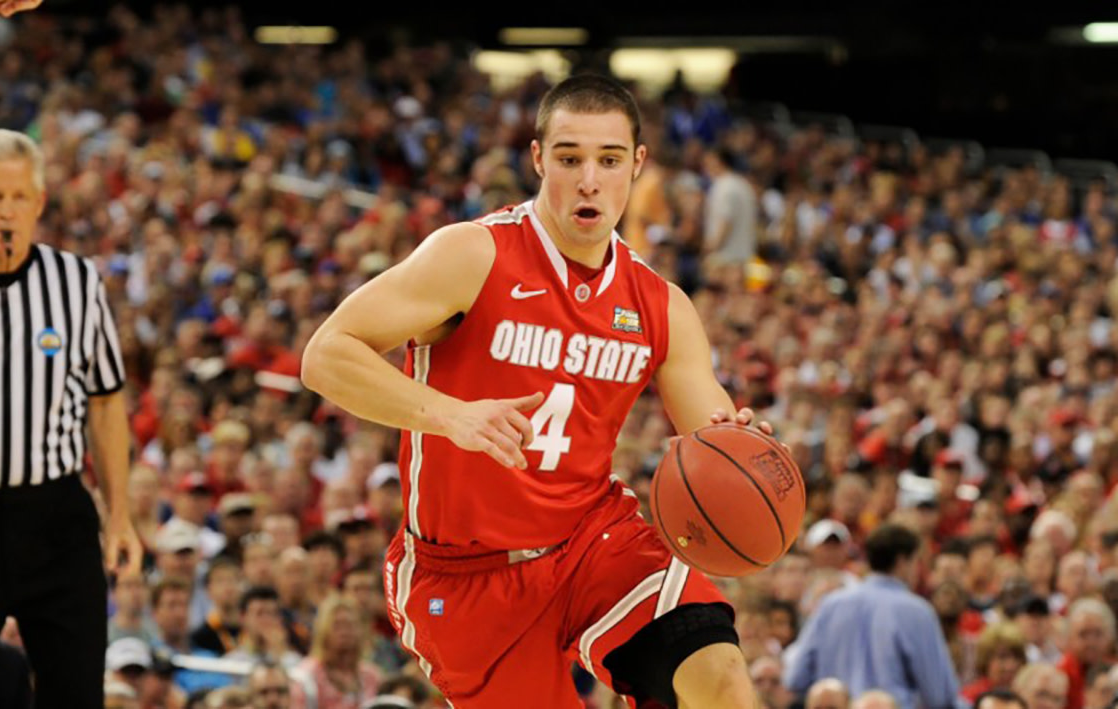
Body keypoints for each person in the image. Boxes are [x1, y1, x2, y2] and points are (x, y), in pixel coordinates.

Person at [303, 73, 769, 707]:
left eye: (608, 161)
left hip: (593, 542)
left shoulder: (661, 305)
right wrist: (449, 414)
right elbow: (326, 354)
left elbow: (711, 436)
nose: (588, 180)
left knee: (722, 682)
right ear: (537, 159)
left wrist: (745, 457)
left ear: (636, 165)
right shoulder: (473, 254)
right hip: (464, 575)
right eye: (569, 158)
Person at [0, 129, 141, 706]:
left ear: (39, 202)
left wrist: (119, 514)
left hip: (55, 516)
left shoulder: (77, 282)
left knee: (76, 693)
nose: (6, 211)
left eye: (18, 197)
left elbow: (106, 398)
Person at [784, 524, 961, 709]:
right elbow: (938, 696)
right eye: (916, 561)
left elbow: (796, 677)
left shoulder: (831, 605)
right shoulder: (917, 611)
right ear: (902, 562)